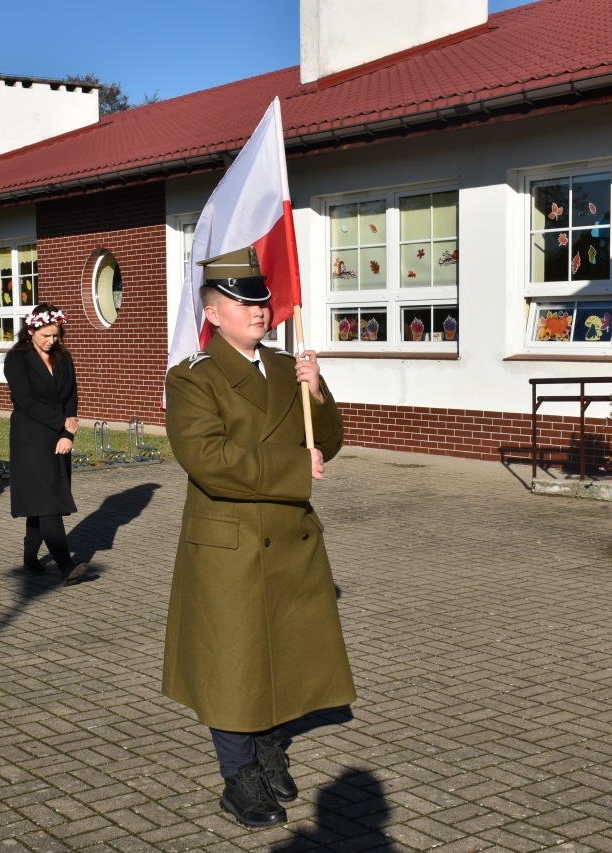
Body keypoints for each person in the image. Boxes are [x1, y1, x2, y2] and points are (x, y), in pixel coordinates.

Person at [163, 246, 354, 829]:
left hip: (289, 538)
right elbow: (208, 458)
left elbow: (326, 442)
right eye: (243, 303)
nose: (259, 311)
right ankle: (238, 775)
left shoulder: (286, 367)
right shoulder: (192, 377)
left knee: (282, 652)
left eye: (263, 301)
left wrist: (317, 393)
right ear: (212, 314)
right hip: (232, 543)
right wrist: (295, 469)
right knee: (233, 662)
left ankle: (269, 745)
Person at [3, 304, 88, 586]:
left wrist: (67, 434)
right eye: (46, 335)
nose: (52, 340)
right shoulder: (17, 359)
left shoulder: (63, 357)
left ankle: (30, 557)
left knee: (41, 501)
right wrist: (63, 423)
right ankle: (65, 566)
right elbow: (26, 402)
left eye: (56, 335)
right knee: (48, 501)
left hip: (58, 438)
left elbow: (71, 397)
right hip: (30, 438)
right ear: (31, 330)